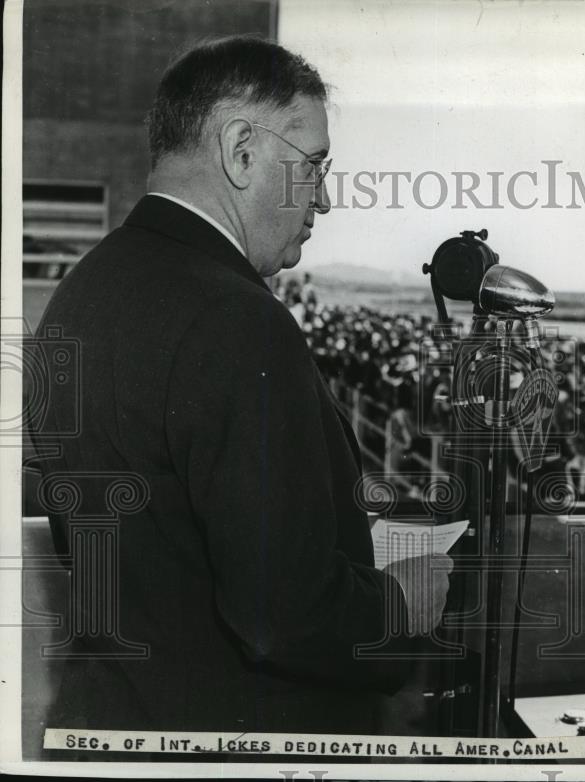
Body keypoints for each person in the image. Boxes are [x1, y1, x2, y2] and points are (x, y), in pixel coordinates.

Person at [26, 37, 450, 737]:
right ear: (242, 151)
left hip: (115, 725)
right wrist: (404, 599)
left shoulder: (81, 291)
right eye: (313, 166)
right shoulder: (238, 319)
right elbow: (283, 615)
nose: (327, 199)